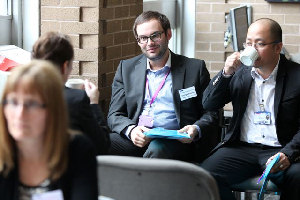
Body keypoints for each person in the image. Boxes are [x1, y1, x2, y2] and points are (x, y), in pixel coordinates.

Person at [201, 18, 300, 199]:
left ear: (278, 48)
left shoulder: (296, 76)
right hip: (241, 148)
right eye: (248, 44)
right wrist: (225, 74)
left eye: (259, 44)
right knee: (204, 177)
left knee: (297, 177)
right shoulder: (238, 73)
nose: (251, 50)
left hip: (281, 148)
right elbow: (209, 103)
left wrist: (288, 153)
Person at [107, 11, 218, 161]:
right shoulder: (126, 68)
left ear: (168, 34)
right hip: (138, 137)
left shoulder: (194, 68)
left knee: (157, 149)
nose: (150, 43)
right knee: (97, 142)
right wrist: (131, 130)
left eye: (155, 35)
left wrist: (195, 129)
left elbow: (211, 113)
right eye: (143, 38)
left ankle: (142, 184)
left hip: (175, 141)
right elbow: (114, 115)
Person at [0, 60, 98, 199]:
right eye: (13, 102)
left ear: (52, 110)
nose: (20, 114)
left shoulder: (77, 149)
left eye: (32, 104)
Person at [32, 32, 110, 155]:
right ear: (65, 66)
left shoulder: (19, 96)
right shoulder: (77, 100)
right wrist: (94, 103)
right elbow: (102, 146)